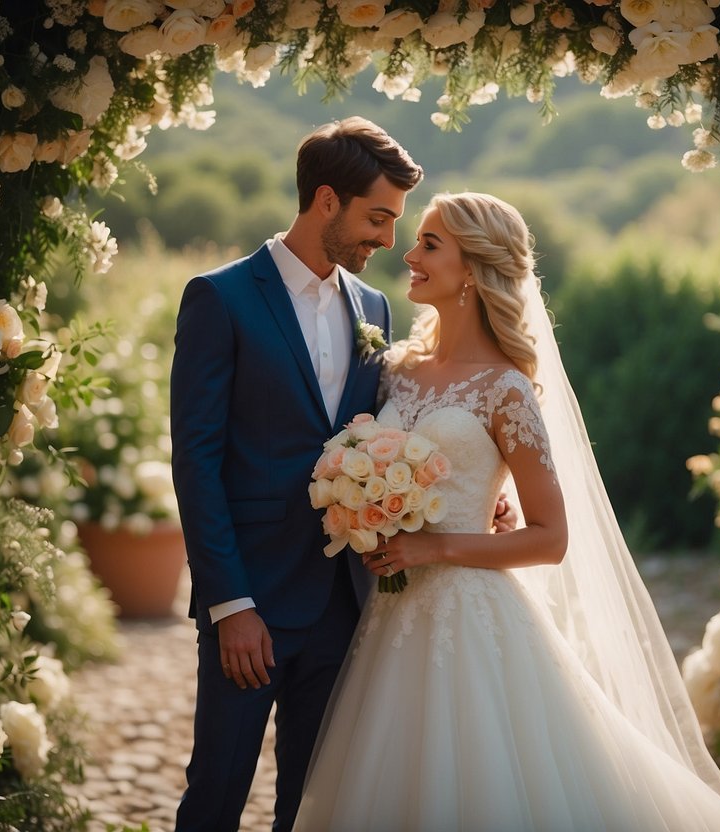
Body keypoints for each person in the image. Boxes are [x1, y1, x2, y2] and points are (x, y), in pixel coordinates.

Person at [292, 192, 720, 831]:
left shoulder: (505, 388)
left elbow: (551, 537)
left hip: (471, 612)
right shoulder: (395, 370)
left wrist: (436, 547)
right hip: (393, 616)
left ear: (475, 267)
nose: (410, 253)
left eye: (430, 243)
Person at [168, 117, 424, 832]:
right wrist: (229, 606)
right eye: (377, 217)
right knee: (216, 793)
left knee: (314, 806)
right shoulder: (220, 299)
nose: (387, 239)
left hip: (343, 603)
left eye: (395, 221)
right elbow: (196, 462)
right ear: (324, 201)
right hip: (251, 603)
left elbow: (385, 439)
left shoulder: (373, 307)